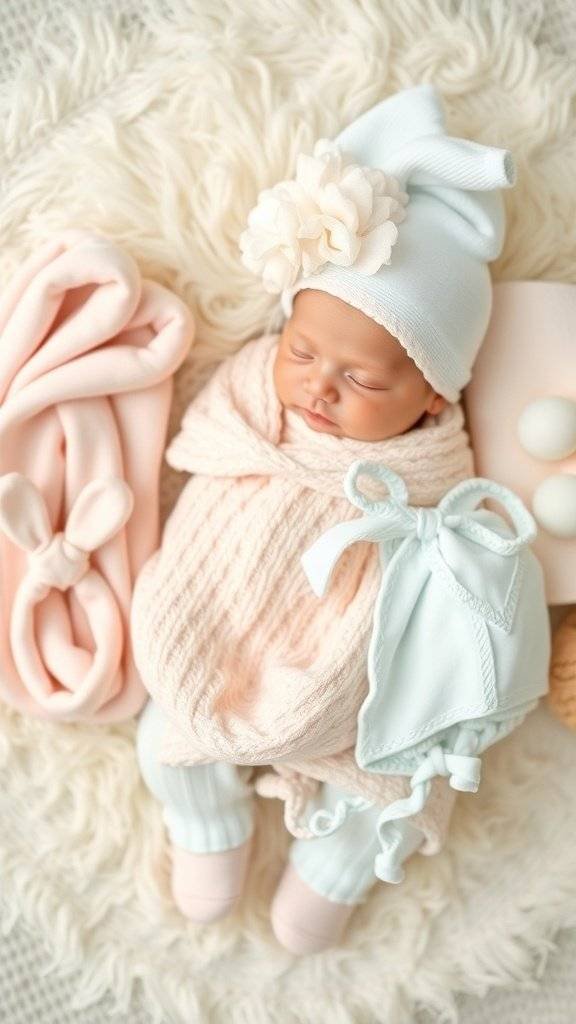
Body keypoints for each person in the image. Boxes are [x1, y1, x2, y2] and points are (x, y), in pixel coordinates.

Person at [130, 83, 516, 955]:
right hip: (228, 629)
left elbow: (449, 599)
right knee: (166, 738)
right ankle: (209, 828)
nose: (319, 386)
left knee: (384, 787)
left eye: (364, 380)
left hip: (354, 692)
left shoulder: (431, 482)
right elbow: (206, 471)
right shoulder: (250, 408)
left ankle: (331, 874)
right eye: (303, 353)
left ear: (429, 398)